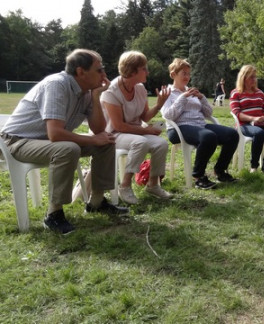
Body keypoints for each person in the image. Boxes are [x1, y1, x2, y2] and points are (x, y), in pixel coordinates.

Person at [0, 49, 129, 234]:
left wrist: (95, 97)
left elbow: (99, 130)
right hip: (16, 142)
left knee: (106, 141)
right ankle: (53, 215)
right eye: (99, 69)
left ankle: (97, 202)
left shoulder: (87, 92)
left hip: (47, 142)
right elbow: (55, 134)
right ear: (80, 72)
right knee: (67, 149)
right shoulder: (56, 85)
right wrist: (92, 138)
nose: (104, 74)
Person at [101, 51, 173, 205]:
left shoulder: (139, 88)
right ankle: (125, 186)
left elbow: (144, 117)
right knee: (141, 142)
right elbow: (118, 125)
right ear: (132, 71)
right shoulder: (111, 92)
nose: (147, 71)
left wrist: (159, 105)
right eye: (144, 68)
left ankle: (153, 185)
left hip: (134, 131)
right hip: (113, 134)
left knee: (161, 144)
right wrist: (148, 130)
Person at [161, 58, 239, 189]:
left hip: (199, 125)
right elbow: (168, 115)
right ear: (173, 74)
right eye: (183, 73)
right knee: (208, 136)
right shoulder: (168, 93)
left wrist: (202, 98)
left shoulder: (192, 91)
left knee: (232, 134)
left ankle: (220, 171)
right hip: (178, 128)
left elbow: (208, 113)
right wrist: (183, 97)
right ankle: (198, 176)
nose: (187, 76)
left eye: (188, 73)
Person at [229, 65, 264, 173]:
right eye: (251, 77)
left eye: (255, 77)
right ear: (244, 78)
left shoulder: (260, 93)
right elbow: (237, 113)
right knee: (258, 133)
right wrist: (253, 118)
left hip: (261, 123)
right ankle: (254, 166)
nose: (254, 79)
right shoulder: (236, 93)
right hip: (244, 125)